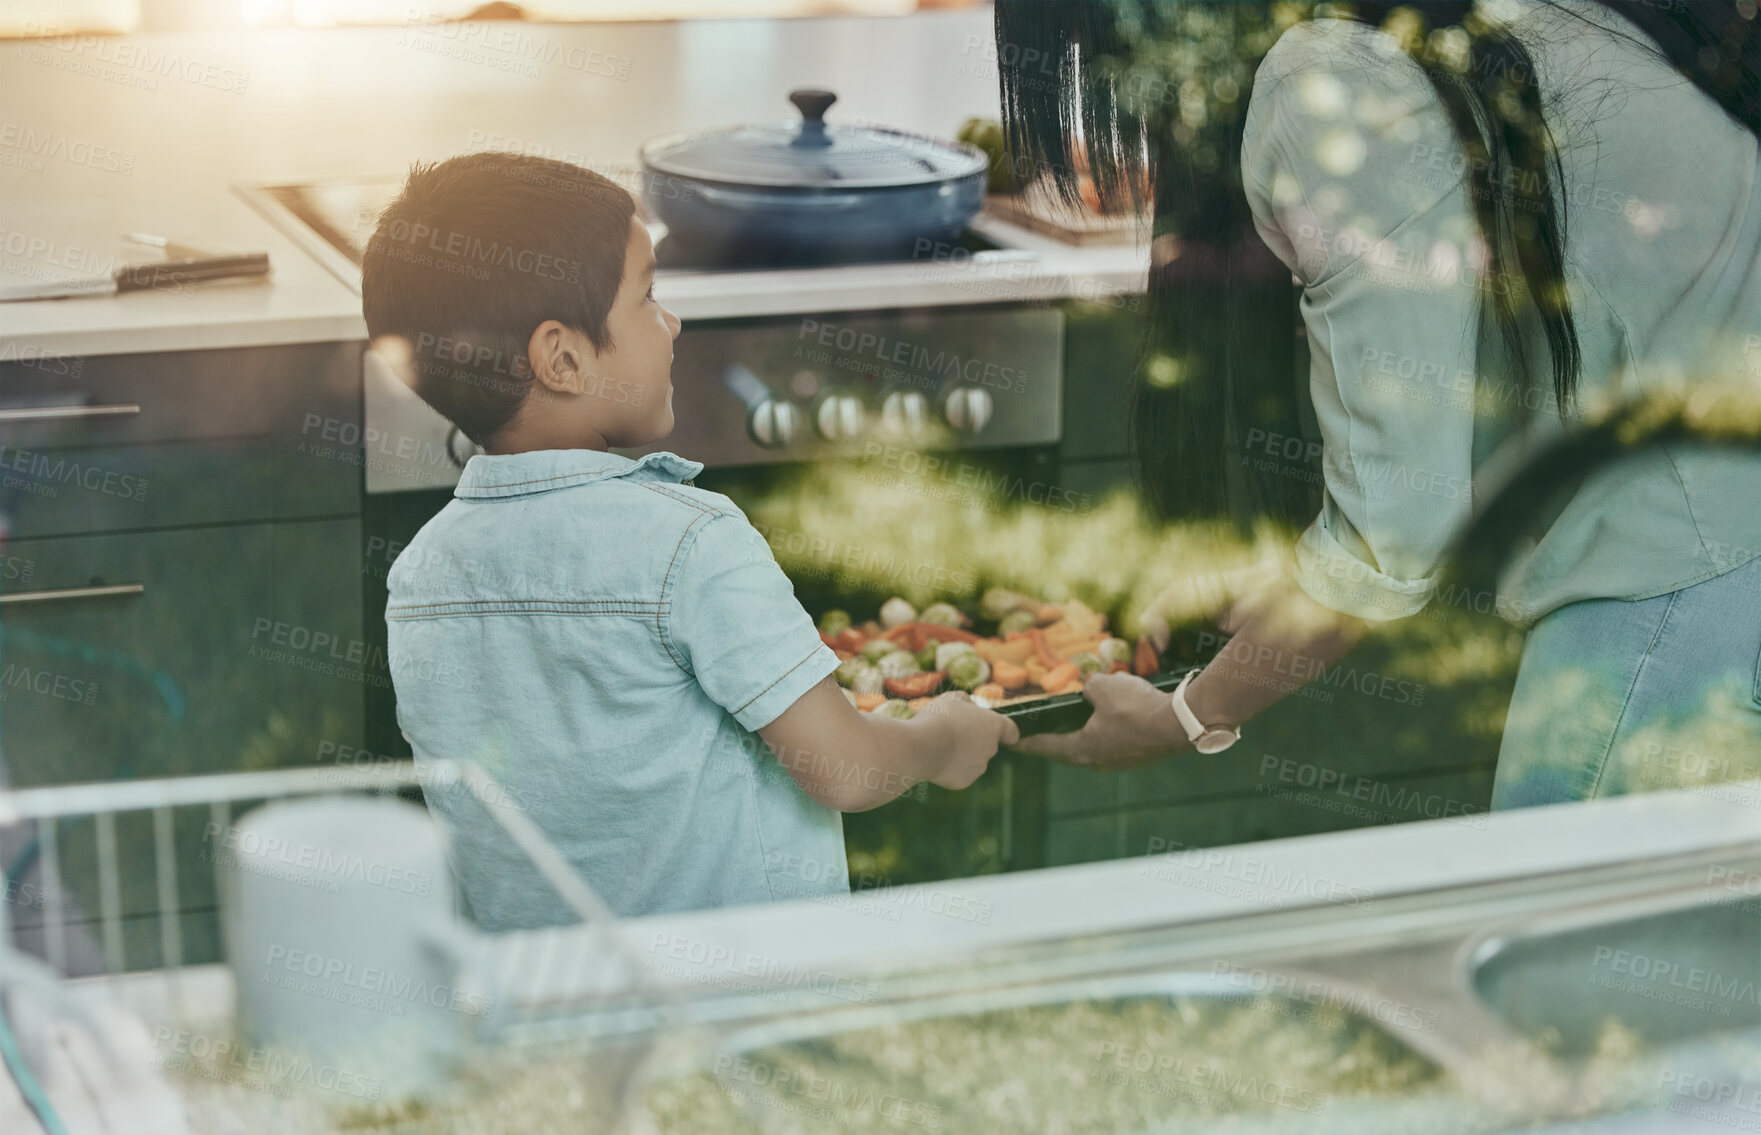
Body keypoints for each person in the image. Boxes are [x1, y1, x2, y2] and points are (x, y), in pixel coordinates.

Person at [1000, 1, 1761, 804]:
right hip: (1721, 544)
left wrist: (1187, 715)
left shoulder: (1331, 78)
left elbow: (1395, 534)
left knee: (1559, 924)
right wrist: (1294, 579)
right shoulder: (1470, 25)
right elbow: (1496, 383)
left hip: (1692, 568)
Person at [361, 153, 1017, 927]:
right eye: (647, 296)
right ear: (562, 358)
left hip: (543, 1005)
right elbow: (844, 767)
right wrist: (941, 739)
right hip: (738, 1006)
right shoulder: (691, 545)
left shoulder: (419, 577)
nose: (670, 322)